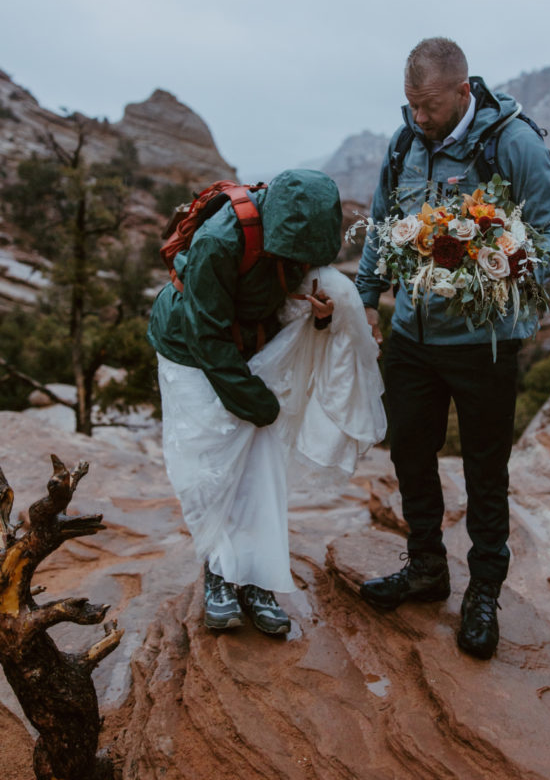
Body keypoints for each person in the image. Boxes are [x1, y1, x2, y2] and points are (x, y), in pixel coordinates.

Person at [355, 38, 550, 659]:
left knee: (485, 470)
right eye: (410, 105)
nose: (418, 118)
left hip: (485, 343)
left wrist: (509, 265)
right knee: (410, 454)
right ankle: (426, 568)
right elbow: (378, 225)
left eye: (427, 107)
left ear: (461, 91)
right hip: (412, 338)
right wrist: (366, 298)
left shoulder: (512, 139)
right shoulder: (403, 144)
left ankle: (484, 593)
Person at [148, 169, 386, 636]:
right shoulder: (220, 243)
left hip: (251, 346)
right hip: (190, 351)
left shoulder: (302, 241)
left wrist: (318, 320)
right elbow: (206, 336)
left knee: (260, 464)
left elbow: (292, 303)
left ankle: (258, 578)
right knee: (210, 463)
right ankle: (219, 573)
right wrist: (257, 403)